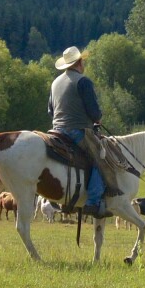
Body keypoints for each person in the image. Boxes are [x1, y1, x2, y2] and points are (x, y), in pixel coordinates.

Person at [48, 46, 118, 219]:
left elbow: (50, 110)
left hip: (56, 131)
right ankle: (93, 202)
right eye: (82, 60)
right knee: (103, 159)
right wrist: (97, 119)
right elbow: (94, 113)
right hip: (77, 131)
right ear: (79, 62)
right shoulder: (83, 81)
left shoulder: (55, 82)